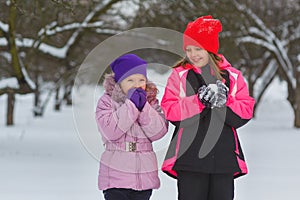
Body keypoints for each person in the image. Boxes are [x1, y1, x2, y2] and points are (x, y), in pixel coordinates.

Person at [161, 15, 255, 200]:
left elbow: (245, 111)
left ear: (210, 49)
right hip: (190, 158)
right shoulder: (179, 76)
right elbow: (170, 110)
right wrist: (198, 102)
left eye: (198, 48)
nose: (193, 54)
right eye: (188, 49)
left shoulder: (233, 76)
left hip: (223, 158)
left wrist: (224, 102)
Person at [95, 54, 168, 200]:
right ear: (119, 82)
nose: (137, 84)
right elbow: (111, 131)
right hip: (116, 179)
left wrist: (144, 108)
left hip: (144, 179)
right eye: (130, 80)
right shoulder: (107, 102)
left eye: (141, 80)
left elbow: (158, 132)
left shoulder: (151, 103)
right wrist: (132, 106)